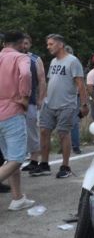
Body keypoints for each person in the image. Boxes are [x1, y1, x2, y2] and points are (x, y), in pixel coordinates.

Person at [32, 35, 89, 178]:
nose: (48, 47)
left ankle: (65, 166)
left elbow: (81, 84)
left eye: (51, 44)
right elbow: (51, 81)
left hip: (66, 105)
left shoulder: (73, 61)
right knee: (44, 131)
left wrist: (83, 104)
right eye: (48, 44)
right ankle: (44, 164)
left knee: (64, 134)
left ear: (60, 44)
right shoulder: (53, 61)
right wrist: (43, 98)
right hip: (49, 104)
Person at [0, 30, 35, 209]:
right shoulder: (21, 58)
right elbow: (26, 75)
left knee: (9, 158)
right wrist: (25, 96)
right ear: (21, 43)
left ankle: (18, 198)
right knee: (17, 158)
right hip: (12, 112)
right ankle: (17, 198)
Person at [19, 34, 46, 173]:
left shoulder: (35, 59)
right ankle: (15, 160)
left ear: (30, 44)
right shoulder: (12, 58)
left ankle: (34, 159)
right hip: (13, 102)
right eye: (22, 43)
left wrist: (41, 98)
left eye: (26, 43)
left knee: (31, 132)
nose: (24, 46)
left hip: (30, 102)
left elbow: (41, 80)